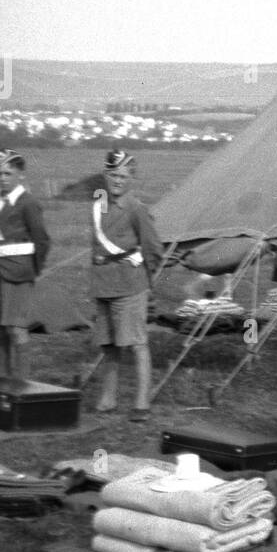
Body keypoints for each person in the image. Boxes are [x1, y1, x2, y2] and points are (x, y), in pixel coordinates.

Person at [90, 149, 163, 423]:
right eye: (113, 175)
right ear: (106, 176)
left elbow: (154, 249)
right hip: (104, 284)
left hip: (130, 285)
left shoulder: (136, 209)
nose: (117, 181)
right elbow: (95, 248)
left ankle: (141, 403)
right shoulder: (98, 206)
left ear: (131, 178)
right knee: (108, 345)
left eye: (123, 176)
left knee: (137, 343)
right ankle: (108, 399)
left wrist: (146, 282)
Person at [0, 149, 50, 379]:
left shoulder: (28, 203)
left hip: (19, 272)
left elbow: (41, 240)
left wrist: (34, 270)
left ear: (21, 174)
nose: (2, 178)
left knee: (17, 329)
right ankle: (2, 379)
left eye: (8, 173)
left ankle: (21, 383)